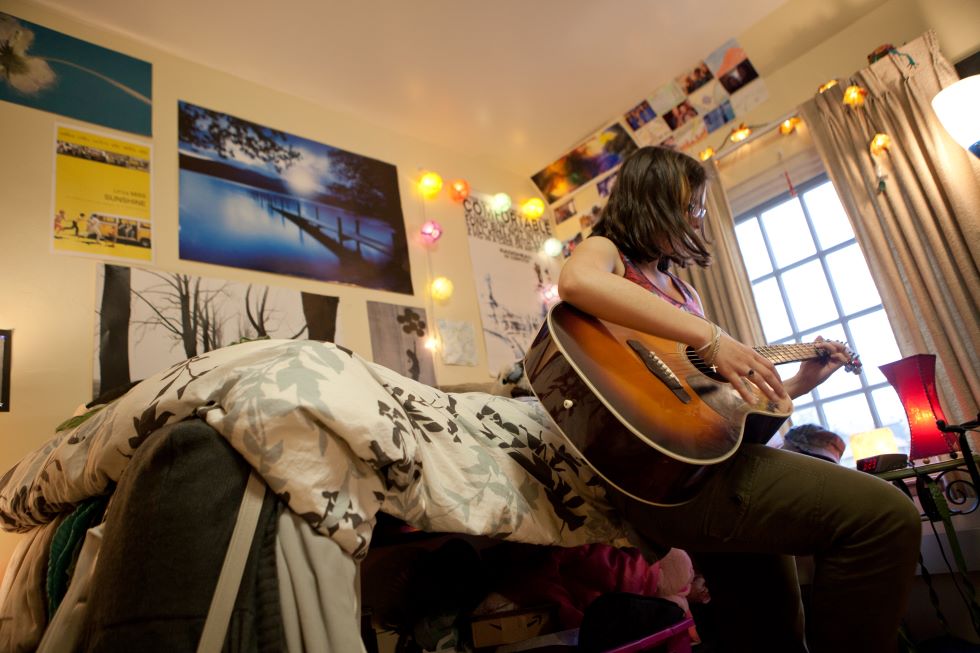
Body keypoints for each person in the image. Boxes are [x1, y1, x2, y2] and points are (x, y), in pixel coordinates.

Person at [556, 145, 921, 652]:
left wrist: (796, 385)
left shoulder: (686, 294)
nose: (696, 219)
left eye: (698, 208)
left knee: (773, 635)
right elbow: (575, 280)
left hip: (712, 459)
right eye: (690, 207)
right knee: (887, 516)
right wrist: (712, 339)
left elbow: (718, 407)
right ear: (650, 199)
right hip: (668, 479)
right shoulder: (608, 254)